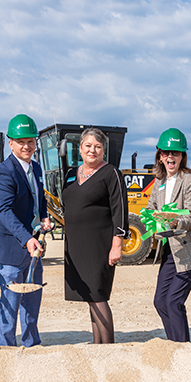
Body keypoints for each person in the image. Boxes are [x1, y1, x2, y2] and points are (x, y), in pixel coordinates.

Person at [0, 114, 52, 347]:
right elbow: (3, 211)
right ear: (10, 143)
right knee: (11, 302)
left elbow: (38, 198)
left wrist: (44, 216)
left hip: (31, 246)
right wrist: (26, 239)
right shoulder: (3, 172)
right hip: (9, 248)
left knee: (33, 299)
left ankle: (32, 344)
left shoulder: (37, 168)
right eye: (21, 141)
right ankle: (6, 347)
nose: (26, 146)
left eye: (31, 141)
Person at [145, 128, 191, 342]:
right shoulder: (159, 181)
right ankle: (174, 342)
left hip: (190, 248)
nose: (170, 157)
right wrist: (150, 217)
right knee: (160, 301)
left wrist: (174, 220)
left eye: (175, 153)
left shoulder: (190, 180)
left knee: (174, 301)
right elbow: (150, 208)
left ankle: (182, 346)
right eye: (166, 153)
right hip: (169, 249)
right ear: (159, 155)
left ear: (182, 155)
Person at [62, 127, 128, 344]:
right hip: (76, 245)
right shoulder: (71, 174)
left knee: (98, 296)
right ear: (80, 149)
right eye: (88, 146)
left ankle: (108, 346)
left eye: (98, 147)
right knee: (89, 296)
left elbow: (120, 210)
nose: (93, 150)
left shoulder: (111, 173)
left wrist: (117, 244)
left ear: (104, 150)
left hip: (99, 245)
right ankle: (97, 344)